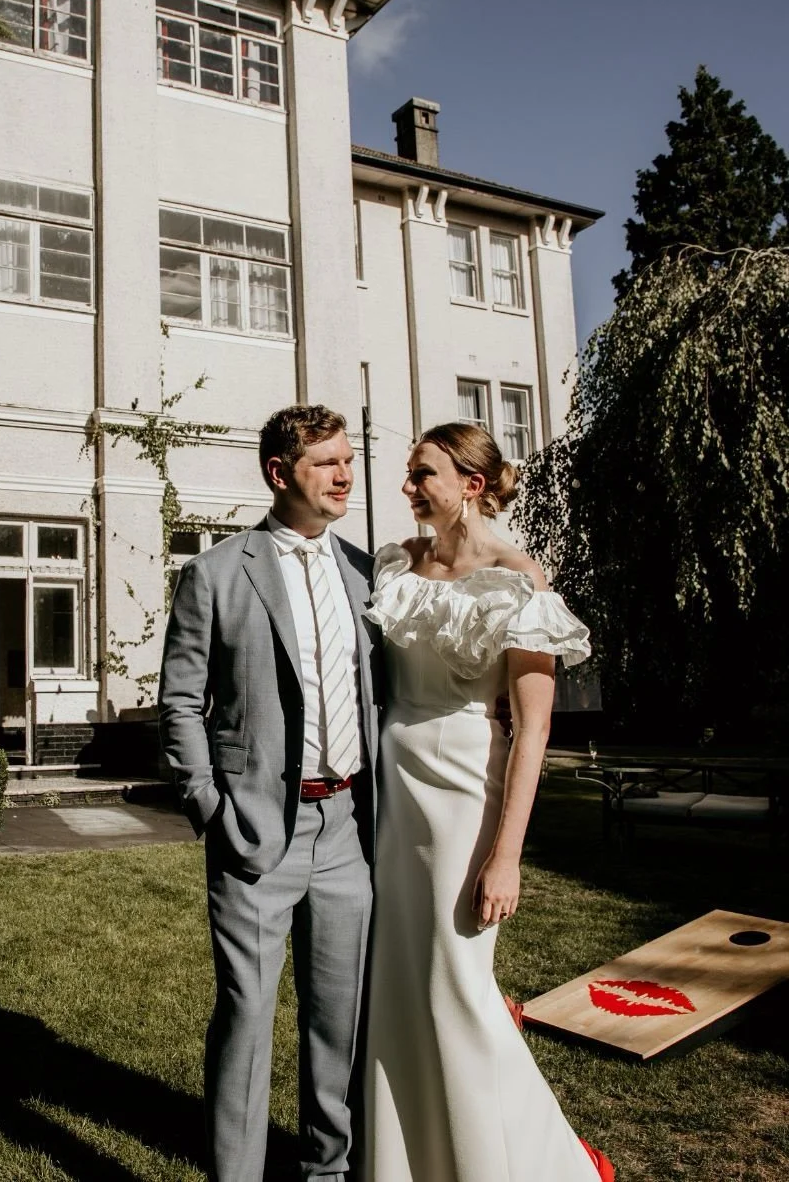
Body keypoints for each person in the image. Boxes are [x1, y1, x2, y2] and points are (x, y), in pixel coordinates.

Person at [361, 422, 614, 1182]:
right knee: (400, 985)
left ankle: (538, 1166)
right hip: (393, 791)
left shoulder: (517, 578)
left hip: (468, 789)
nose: (408, 488)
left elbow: (534, 730)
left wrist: (505, 858)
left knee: (460, 987)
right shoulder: (392, 564)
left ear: (472, 485)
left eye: (423, 474)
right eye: (409, 473)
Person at [159, 404, 378, 1182]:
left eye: (349, 459)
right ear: (279, 473)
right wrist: (209, 806)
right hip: (254, 833)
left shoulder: (364, 569)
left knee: (337, 1022)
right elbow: (181, 702)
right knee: (248, 1018)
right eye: (327, 463)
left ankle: (328, 1171)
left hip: (348, 829)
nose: (346, 474)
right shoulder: (217, 572)